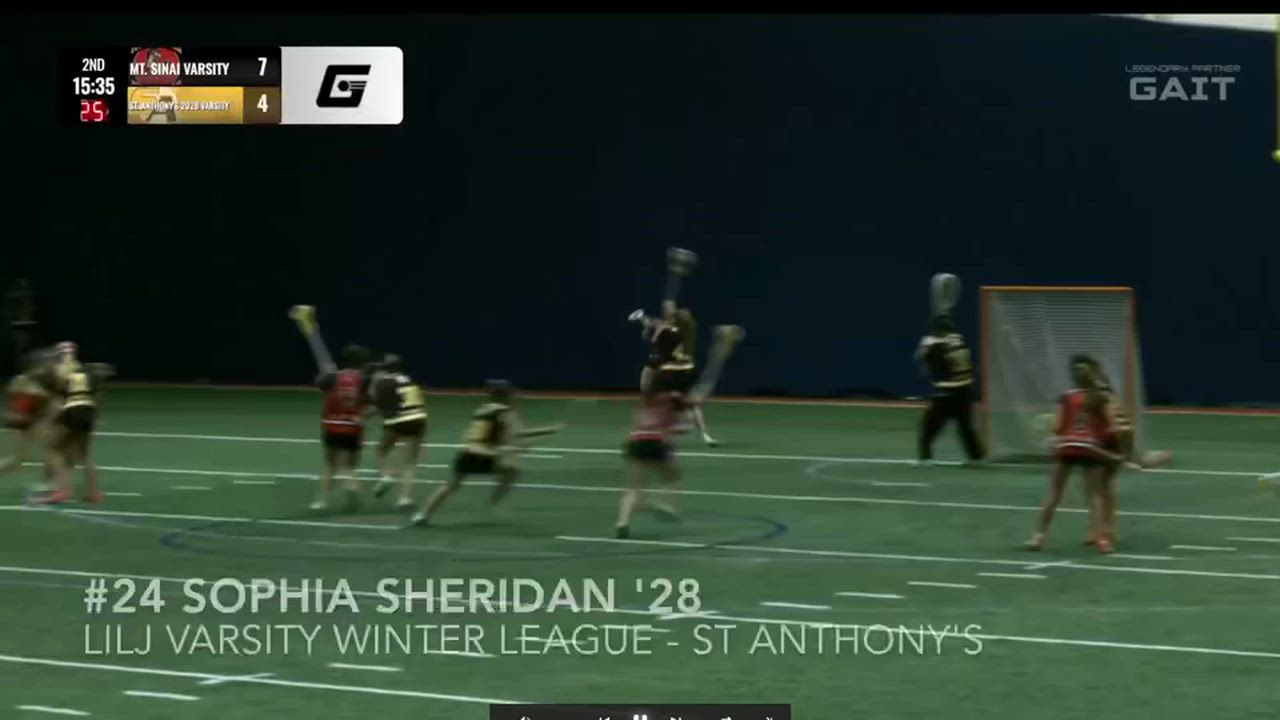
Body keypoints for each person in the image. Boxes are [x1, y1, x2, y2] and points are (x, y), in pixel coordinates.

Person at [410, 380, 561, 526]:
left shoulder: (482, 410)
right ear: (505, 396)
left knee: (450, 486)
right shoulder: (506, 412)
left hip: (466, 453)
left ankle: (423, 515)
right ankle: (494, 503)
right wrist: (547, 430)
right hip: (485, 455)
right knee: (512, 471)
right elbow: (519, 433)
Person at [1027, 354, 1119, 554]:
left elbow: (1058, 427)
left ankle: (1038, 536)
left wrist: (1054, 429)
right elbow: (1110, 426)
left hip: (1067, 446)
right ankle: (1102, 540)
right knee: (1094, 495)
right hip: (1090, 447)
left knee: (1054, 494)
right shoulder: (1100, 396)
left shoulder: (1066, 397)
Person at [31, 342, 110, 504]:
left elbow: (58, 396)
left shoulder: (58, 369)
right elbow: (97, 394)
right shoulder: (84, 369)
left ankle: (61, 492)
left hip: (72, 411)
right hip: (87, 410)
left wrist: (51, 418)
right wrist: (97, 415)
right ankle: (94, 493)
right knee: (84, 455)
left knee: (55, 448)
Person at [639, 300, 718, 446]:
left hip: (682, 370)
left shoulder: (680, 327)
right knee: (664, 404)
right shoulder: (662, 328)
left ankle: (704, 434)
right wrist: (646, 323)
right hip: (669, 371)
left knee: (691, 404)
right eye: (666, 308)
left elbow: (656, 335)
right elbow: (649, 335)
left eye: (671, 308)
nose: (669, 310)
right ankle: (654, 432)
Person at [615, 387, 684, 539]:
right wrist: (670, 450)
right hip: (656, 441)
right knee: (672, 476)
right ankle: (662, 502)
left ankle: (622, 522)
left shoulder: (642, 407)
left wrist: (627, 449)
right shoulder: (667, 407)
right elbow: (668, 432)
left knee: (633, 488)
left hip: (637, 442)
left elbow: (633, 431)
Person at [915, 315, 984, 465]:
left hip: (946, 392)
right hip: (966, 390)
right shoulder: (961, 340)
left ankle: (925, 458)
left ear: (939, 330)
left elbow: (929, 369)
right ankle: (976, 457)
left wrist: (924, 351)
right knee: (965, 427)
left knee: (929, 427)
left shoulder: (936, 346)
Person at [311, 344, 372, 511]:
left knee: (330, 466)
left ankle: (321, 501)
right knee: (351, 467)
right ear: (362, 362)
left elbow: (319, 384)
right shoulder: (364, 379)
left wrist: (325, 373)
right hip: (353, 427)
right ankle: (351, 489)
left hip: (332, 427)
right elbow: (372, 404)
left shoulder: (332, 377)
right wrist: (363, 417)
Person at [370, 353, 427, 509]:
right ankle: (405, 498)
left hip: (400, 420)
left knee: (382, 449)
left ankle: (386, 476)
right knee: (410, 461)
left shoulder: (384, 382)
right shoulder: (409, 379)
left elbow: (378, 405)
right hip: (419, 418)